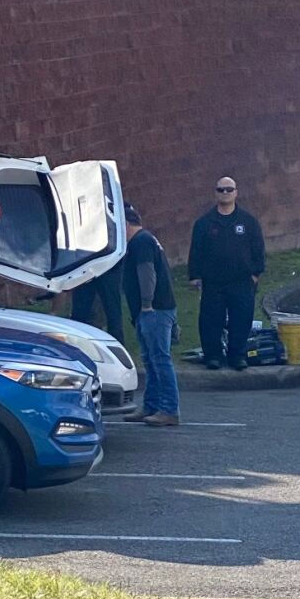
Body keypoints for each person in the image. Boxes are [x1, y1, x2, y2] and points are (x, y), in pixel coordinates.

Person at [188, 175, 265, 370]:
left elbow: (258, 249)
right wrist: (195, 276)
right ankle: (213, 356)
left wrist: (255, 273)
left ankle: (237, 356)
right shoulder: (204, 223)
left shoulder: (248, 222)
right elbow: (196, 250)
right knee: (211, 320)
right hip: (214, 281)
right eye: (221, 189)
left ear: (236, 193)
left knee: (241, 320)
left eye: (229, 189)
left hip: (241, 281)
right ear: (215, 193)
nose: (225, 193)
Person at [120, 203, 180, 427]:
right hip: (154, 310)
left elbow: (147, 273)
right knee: (151, 359)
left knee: (159, 359)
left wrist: (146, 303)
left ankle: (169, 409)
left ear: (125, 224)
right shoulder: (145, 240)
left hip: (154, 310)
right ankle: (152, 405)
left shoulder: (141, 242)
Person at [69, 261, 126, 346]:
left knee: (112, 311)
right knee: (112, 310)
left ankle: (117, 348)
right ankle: (74, 344)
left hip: (97, 262)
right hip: (95, 263)